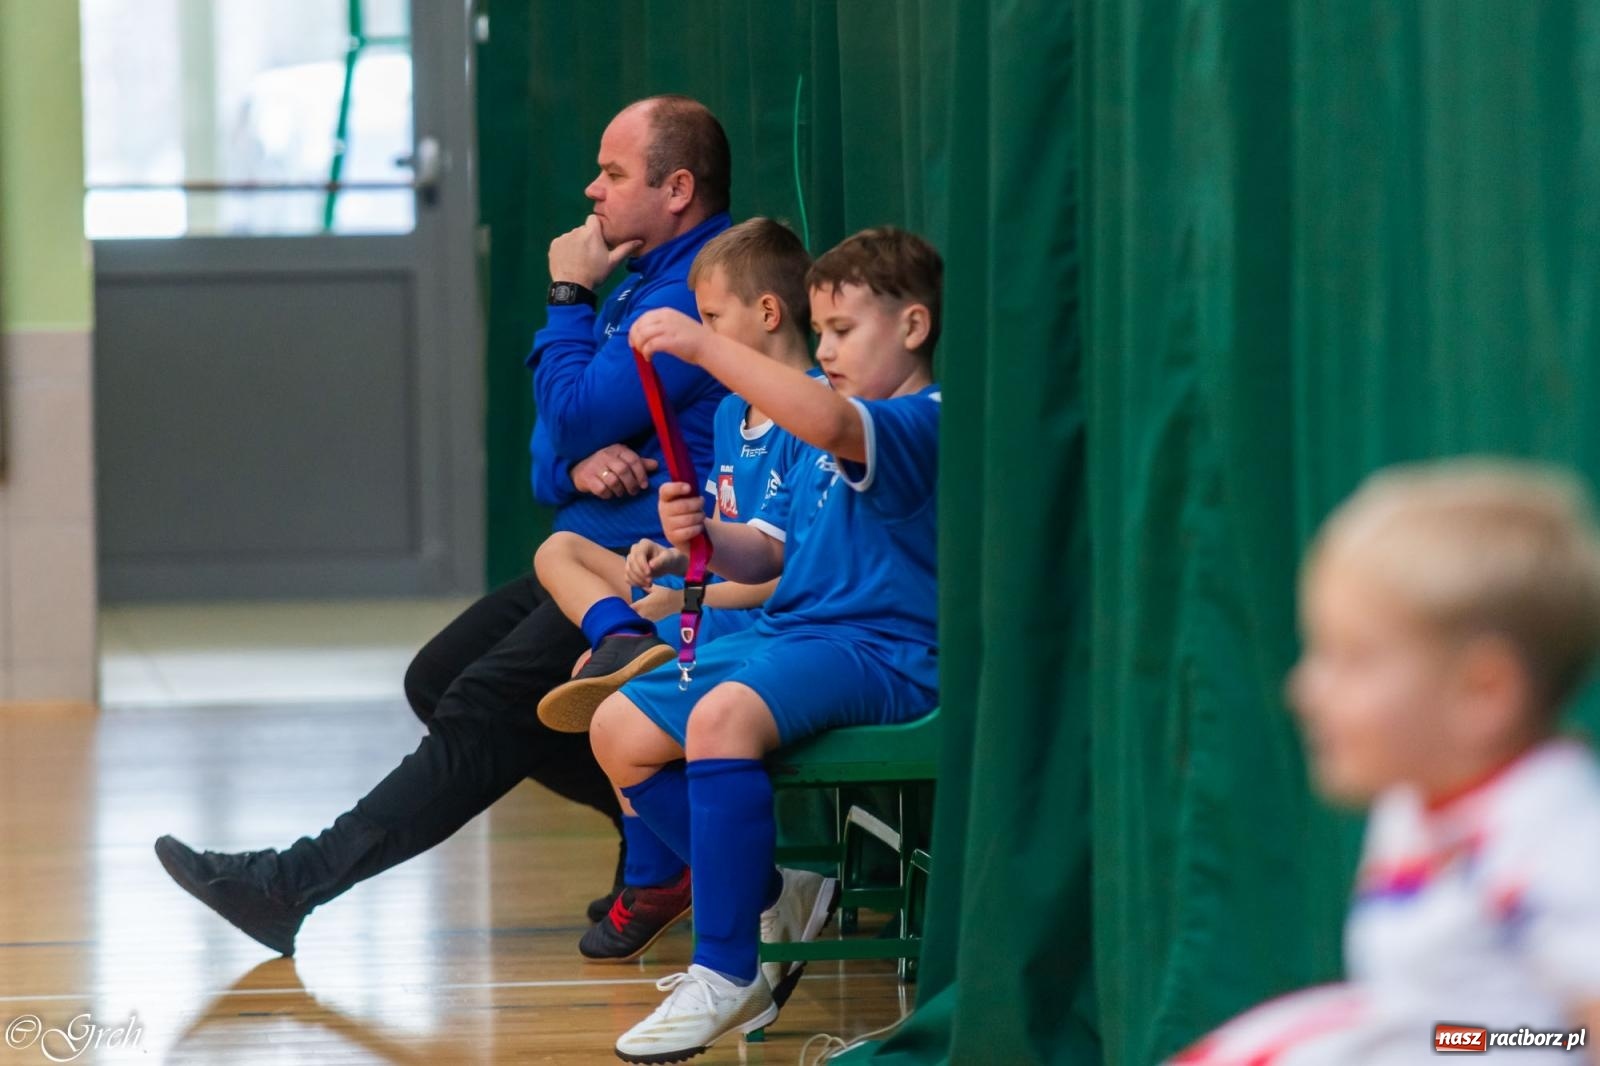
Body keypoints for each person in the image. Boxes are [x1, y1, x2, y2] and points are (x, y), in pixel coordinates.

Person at [152, 95, 735, 957]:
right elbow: (548, 453)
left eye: (613, 174)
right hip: (579, 547)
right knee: (438, 677)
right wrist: (572, 457)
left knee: (483, 703)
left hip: (639, 566)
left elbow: (571, 417)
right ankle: (666, 840)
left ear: (678, 187)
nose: (592, 190)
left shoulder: (690, 291)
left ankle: (291, 884)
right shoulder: (642, 280)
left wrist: (569, 295)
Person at [591, 227, 944, 1062]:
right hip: (799, 631)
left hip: (883, 650)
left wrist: (706, 345)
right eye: (819, 334)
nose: (827, 351)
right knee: (615, 732)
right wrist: (699, 542)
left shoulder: (917, 420)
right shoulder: (836, 432)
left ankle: (727, 970)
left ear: (916, 327)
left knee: (720, 721)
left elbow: (825, 416)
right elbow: (772, 550)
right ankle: (763, 890)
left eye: (845, 332)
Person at [1171, 461, 1600, 1065]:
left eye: (1353, 660)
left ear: (1485, 692)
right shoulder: (1410, 808)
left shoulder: (1557, 834)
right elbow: (1453, 1029)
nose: (1304, 690)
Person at [530, 217, 825, 964]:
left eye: (713, 319)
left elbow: (782, 580)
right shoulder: (731, 412)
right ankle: (618, 637)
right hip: (713, 604)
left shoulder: (818, 414)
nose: (704, 335)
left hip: (765, 625)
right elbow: (734, 548)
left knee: (609, 706)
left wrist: (685, 600)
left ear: (765, 315)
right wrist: (672, 558)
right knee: (562, 549)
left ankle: (694, 885)